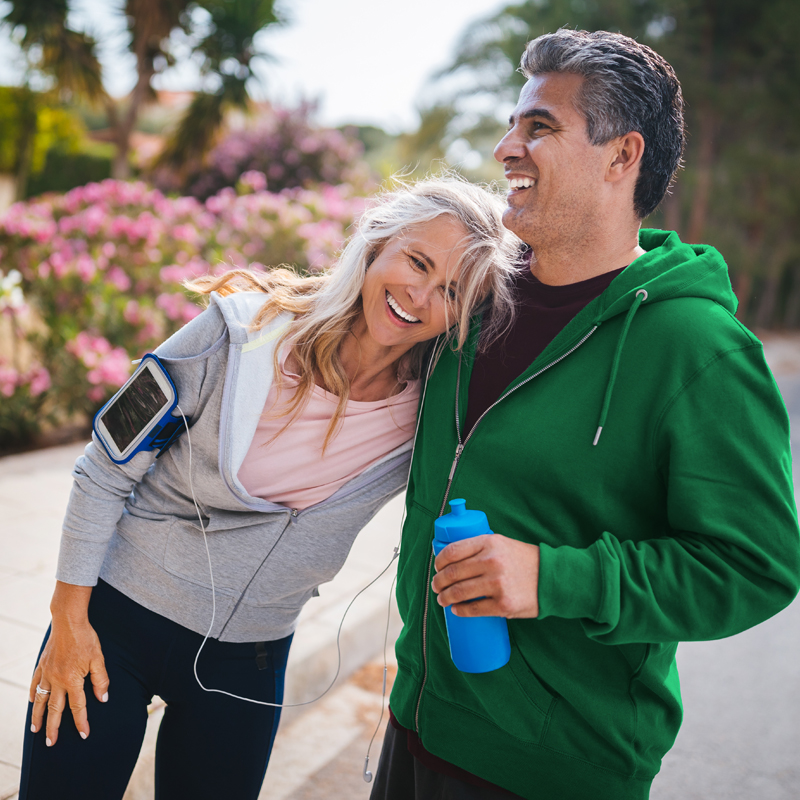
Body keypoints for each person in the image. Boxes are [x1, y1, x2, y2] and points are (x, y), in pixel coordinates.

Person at [372, 29, 800, 800]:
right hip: (417, 719)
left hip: (555, 767)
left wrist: (558, 578)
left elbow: (755, 566)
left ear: (621, 156)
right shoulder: (470, 300)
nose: (506, 148)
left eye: (539, 127)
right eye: (513, 124)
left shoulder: (698, 347)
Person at [18, 176, 519, 800]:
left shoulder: (429, 410)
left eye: (451, 291)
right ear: (376, 244)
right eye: (417, 261)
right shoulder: (237, 334)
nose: (420, 295)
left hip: (248, 659)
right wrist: (68, 618)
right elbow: (104, 467)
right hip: (115, 624)